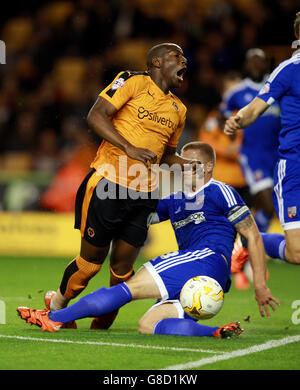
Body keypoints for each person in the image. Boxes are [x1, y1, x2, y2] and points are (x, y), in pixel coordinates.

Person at [17, 142, 279, 336]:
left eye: (194, 164)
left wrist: (260, 285)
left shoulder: (220, 191)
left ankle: (54, 317)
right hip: (200, 280)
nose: (186, 169)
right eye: (183, 164)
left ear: (209, 166)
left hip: (206, 260)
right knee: (148, 325)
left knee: (126, 289)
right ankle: (215, 332)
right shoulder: (175, 200)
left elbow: (252, 236)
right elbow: (139, 216)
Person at [44, 42, 196, 330]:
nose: (184, 60)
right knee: (90, 264)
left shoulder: (179, 109)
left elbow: (164, 154)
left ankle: (101, 326)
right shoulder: (131, 80)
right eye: (177, 56)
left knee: (123, 270)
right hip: (108, 183)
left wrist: (186, 165)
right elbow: (96, 115)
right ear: (157, 62)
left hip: (145, 192)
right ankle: (56, 307)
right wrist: (129, 147)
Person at [224, 12, 300, 267]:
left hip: (274, 154)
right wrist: (238, 119)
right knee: (296, 253)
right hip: (290, 165)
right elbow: (254, 108)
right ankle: (247, 241)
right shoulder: (288, 71)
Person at [220, 48, 281, 235]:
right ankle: (251, 245)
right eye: (252, 61)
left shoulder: (278, 86)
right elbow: (223, 112)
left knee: (269, 207)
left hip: (278, 154)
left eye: (259, 61)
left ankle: (247, 246)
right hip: (252, 155)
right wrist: (231, 131)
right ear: (246, 65)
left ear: (266, 64)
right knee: (268, 204)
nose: (256, 65)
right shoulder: (237, 92)